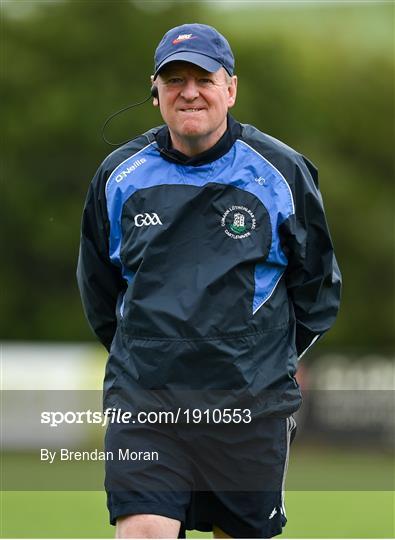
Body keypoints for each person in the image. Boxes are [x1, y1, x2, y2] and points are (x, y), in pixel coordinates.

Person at [77, 23, 341, 539]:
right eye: (174, 79)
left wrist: (260, 361)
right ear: (155, 93)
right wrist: (152, 355)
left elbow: (318, 291)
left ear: (230, 88)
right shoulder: (119, 176)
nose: (190, 91)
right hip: (148, 401)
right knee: (145, 530)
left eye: (203, 77)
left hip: (249, 407)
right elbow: (101, 292)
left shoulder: (280, 172)